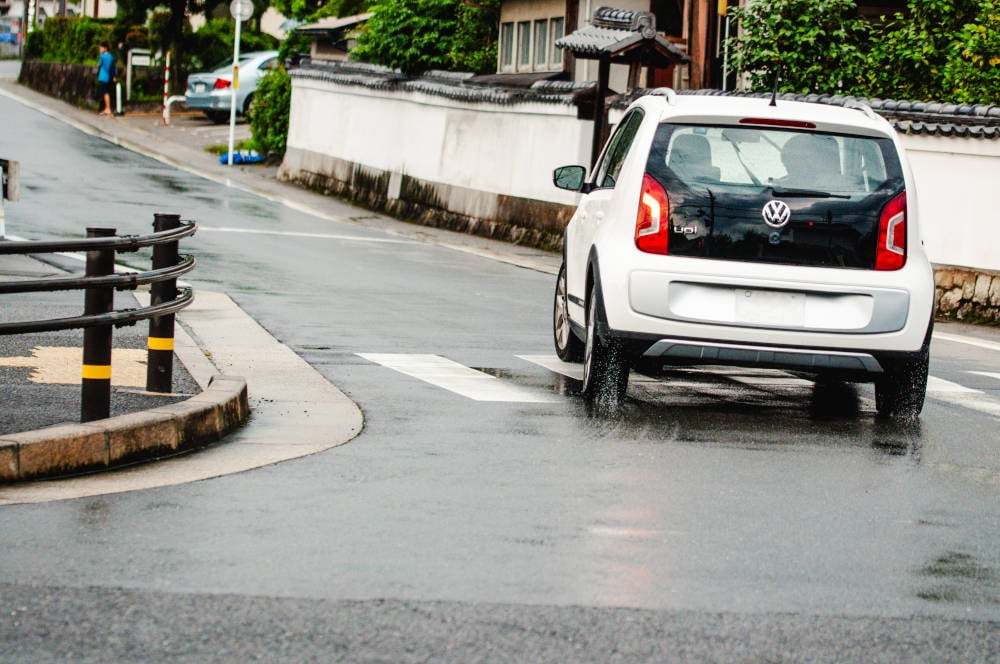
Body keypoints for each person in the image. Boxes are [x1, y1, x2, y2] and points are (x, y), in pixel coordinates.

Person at [96, 42, 115, 117]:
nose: (100, 49)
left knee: (105, 93)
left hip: (103, 77)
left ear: (105, 48)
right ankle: (106, 109)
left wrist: (100, 56)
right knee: (106, 92)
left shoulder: (103, 56)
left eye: (101, 48)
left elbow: (98, 64)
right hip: (109, 77)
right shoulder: (111, 56)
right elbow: (113, 68)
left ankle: (108, 109)